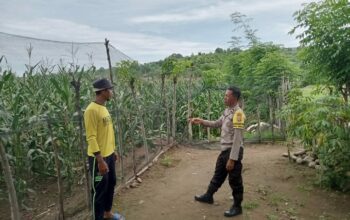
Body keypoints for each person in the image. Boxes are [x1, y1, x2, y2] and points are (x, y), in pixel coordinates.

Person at [189, 86, 245, 217]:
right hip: (225, 150)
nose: (224, 97)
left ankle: (237, 207)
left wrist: (232, 158)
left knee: (235, 180)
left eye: (227, 95)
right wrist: (201, 121)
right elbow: (216, 123)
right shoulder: (228, 111)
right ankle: (209, 196)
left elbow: (237, 138)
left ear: (234, 98)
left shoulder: (238, 114)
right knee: (218, 174)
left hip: (233, 151)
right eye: (225, 95)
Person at [84, 78, 124, 220]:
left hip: (109, 155)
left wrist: (113, 151)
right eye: (110, 89)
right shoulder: (91, 110)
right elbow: (91, 137)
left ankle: (107, 213)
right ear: (102, 91)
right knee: (99, 190)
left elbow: (108, 133)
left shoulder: (103, 108)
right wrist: (100, 160)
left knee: (111, 182)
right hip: (98, 159)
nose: (112, 92)